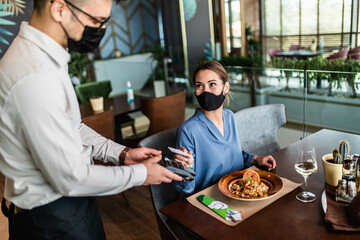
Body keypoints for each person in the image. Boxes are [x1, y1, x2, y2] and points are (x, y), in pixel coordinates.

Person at [0, 0, 182, 239]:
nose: (100, 30)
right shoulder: (34, 76)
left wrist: (122, 154)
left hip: (71, 205)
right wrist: (141, 174)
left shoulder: (47, 58)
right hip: (50, 219)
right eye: (96, 21)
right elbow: (70, 178)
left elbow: (73, 127)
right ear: (59, 9)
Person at [173, 60, 276, 198]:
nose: (206, 91)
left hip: (238, 192)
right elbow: (184, 190)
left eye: (212, 84)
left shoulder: (229, 116)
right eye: (199, 86)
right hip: (207, 200)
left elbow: (231, 156)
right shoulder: (188, 131)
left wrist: (255, 159)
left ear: (225, 87)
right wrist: (187, 169)